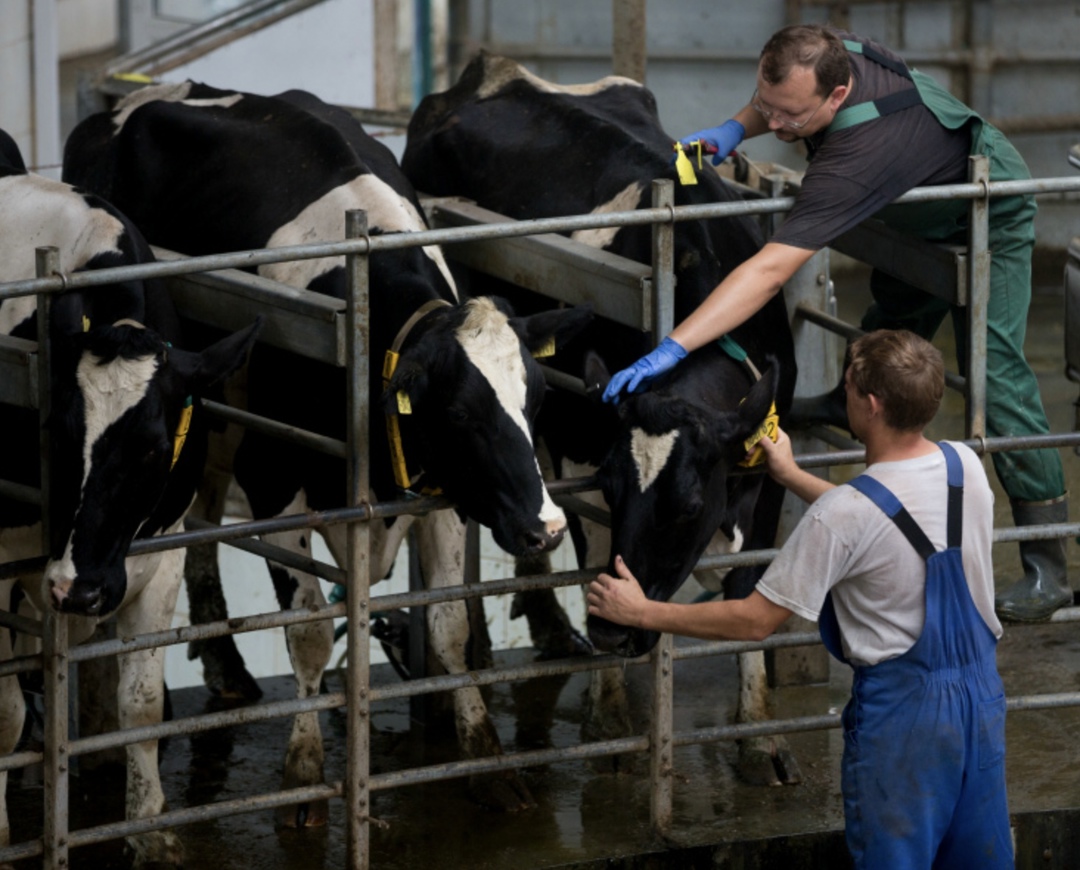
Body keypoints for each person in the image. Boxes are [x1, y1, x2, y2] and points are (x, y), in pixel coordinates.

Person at [602, 23, 1069, 622]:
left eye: (790, 117)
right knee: (884, 337)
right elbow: (776, 100)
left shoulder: (856, 157)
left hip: (986, 208)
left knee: (994, 379)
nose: (774, 127)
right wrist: (738, 125)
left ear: (837, 97)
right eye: (766, 106)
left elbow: (768, 271)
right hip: (918, 197)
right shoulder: (824, 48)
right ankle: (837, 401)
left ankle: (1048, 567)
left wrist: (672, 345)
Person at [589, 329, 1013, 869]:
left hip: (904, 723)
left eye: (850, 387)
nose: (845, 393)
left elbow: (755, 620)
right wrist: (790, 475)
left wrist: (642, 611)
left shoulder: (839, 518)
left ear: (871, 405)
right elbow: (887, 515)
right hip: (980, 702)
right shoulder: (963, 469)